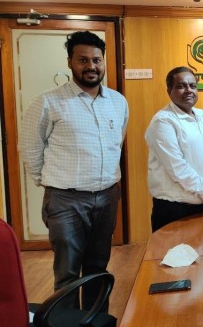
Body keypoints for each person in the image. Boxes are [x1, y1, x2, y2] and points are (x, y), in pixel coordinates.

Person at [19, 31, 128, 310]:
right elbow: (30, 148)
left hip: (106, 197)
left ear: (103, 62)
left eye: (96, 60)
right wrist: (50, 183)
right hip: (66, 200)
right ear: (70, 62)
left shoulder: (118, 101)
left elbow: (117, 142)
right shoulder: (48, 102)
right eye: (83, 60)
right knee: (67, 271)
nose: (91, 66)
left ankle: (94, 324)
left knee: (98, 265)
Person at [145, 66, 203, 231]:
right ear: (169, 90)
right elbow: (177, 168)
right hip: (176, 210)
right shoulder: (163, 121)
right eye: (181, 86)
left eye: (192, 86)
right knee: (175, 249)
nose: (188, 90)